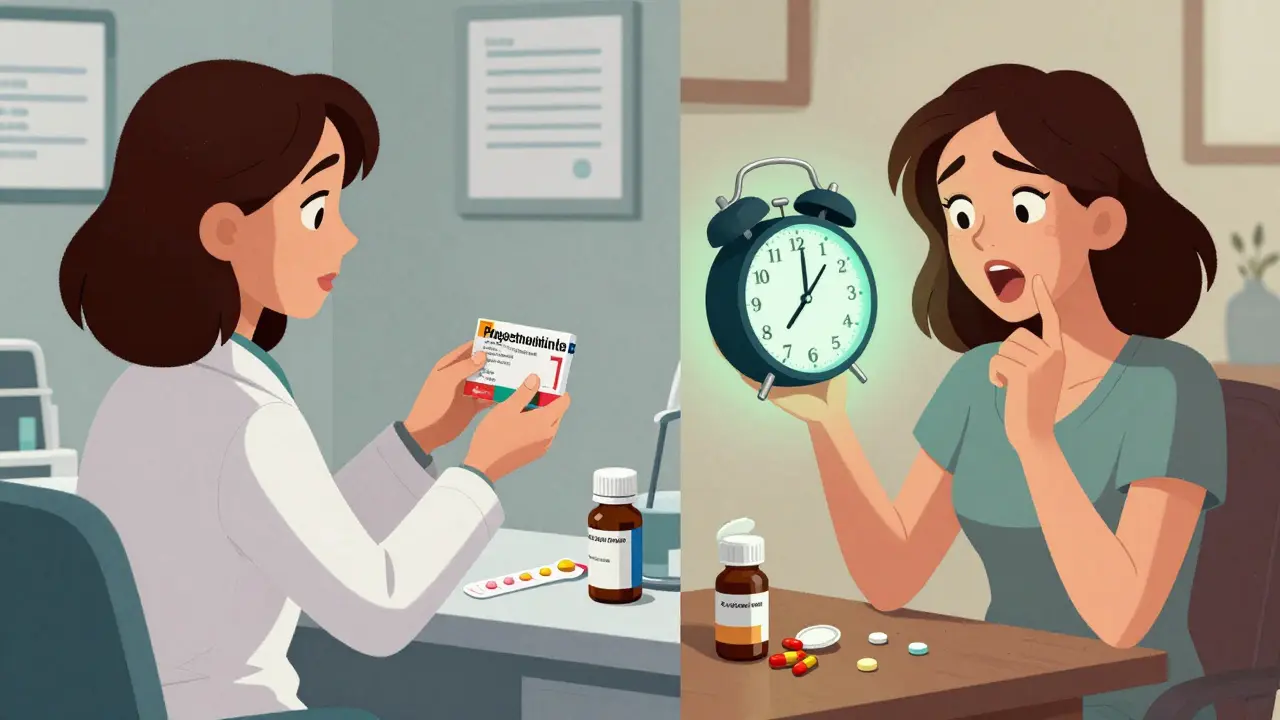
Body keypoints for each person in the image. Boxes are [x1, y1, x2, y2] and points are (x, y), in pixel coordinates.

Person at [58, 60, 570, 720]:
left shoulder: (141, 391)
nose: (346, 237)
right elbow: (378, 612)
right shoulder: (245, 415)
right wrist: (482, 469)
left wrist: (418, 441)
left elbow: (288, 540)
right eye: (316, 209)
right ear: (224, 231)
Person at [742, 64, 1226, 720]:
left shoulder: (1171, 384)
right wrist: (828, 422)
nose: (978, 235)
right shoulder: (978, 380)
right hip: (1010, 699)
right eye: (959, 211)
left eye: (1021, 205)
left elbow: (1121, 621)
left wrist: (1036, 441)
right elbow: (892, 578)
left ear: (1103, 222)